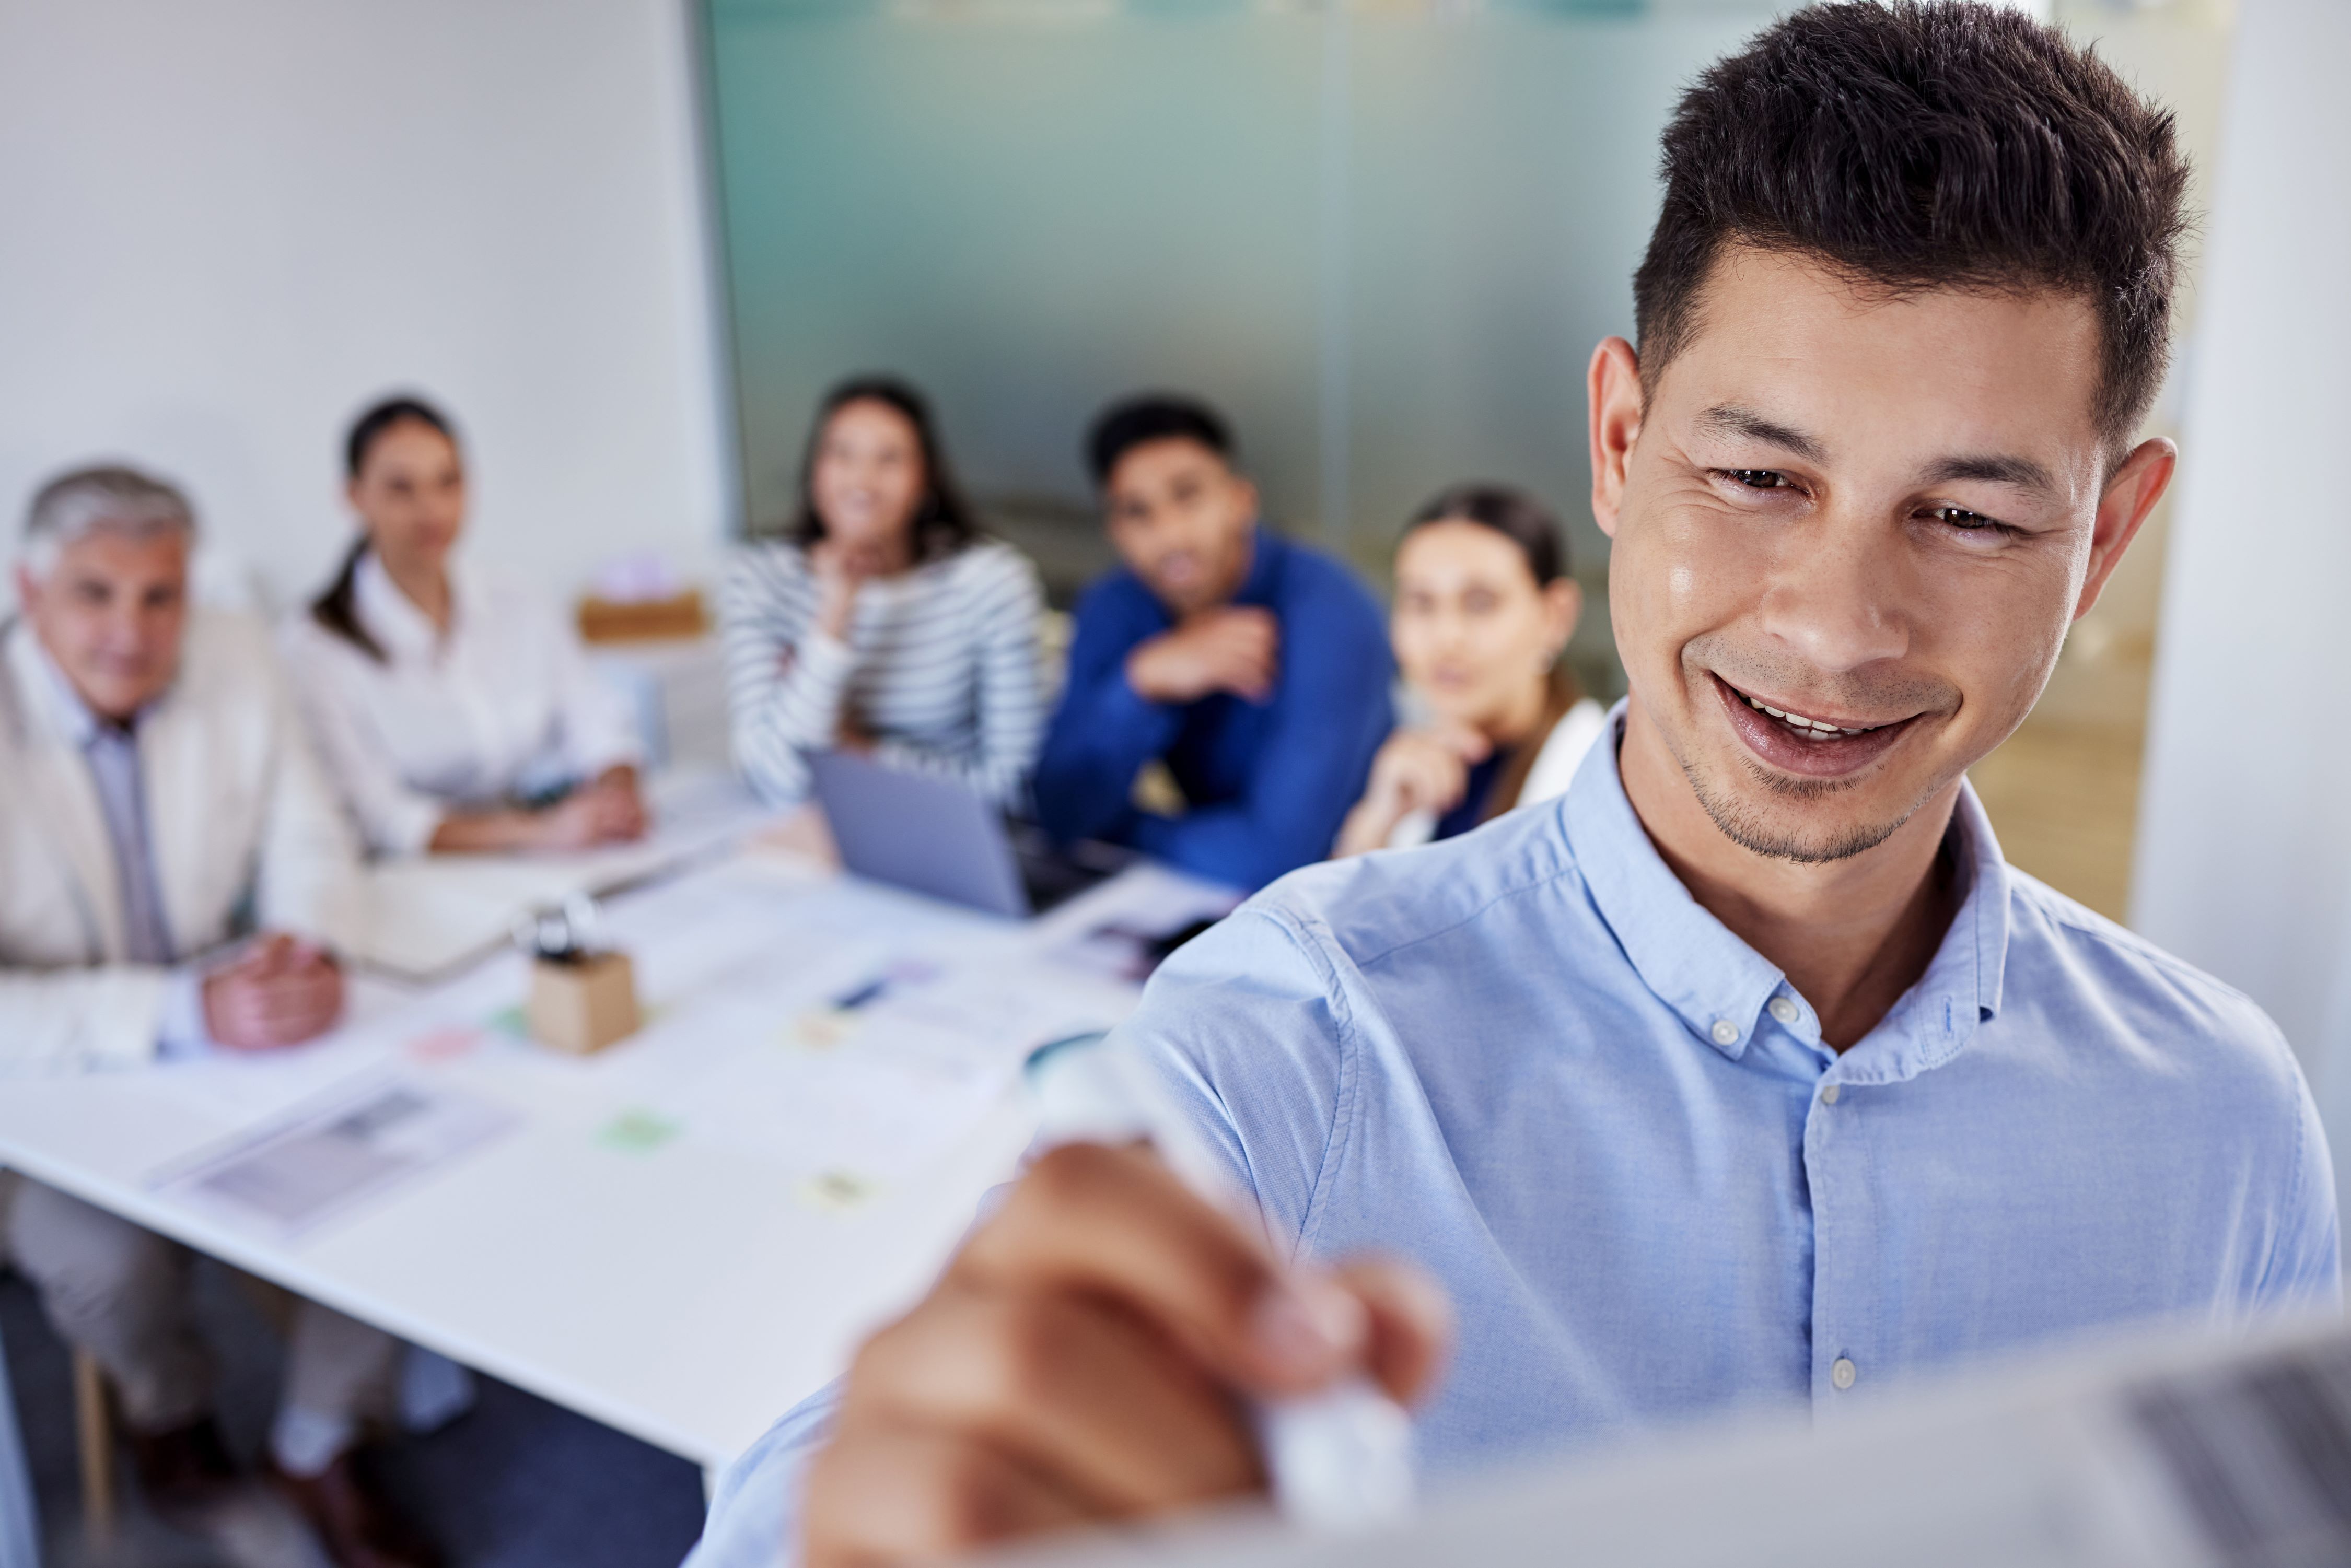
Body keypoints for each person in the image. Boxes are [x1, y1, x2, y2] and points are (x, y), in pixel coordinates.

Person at [686, 7, 2340, 1565]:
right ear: (1619, 443)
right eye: (1759, 475)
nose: (1837, 627)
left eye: (1971, 516)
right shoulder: (1308, 1037)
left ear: (2107, 536)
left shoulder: (2226, 1125)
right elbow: (853, 1481)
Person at [1, 466, 444, 1568]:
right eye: (94, 594)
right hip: (49, 1075)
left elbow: (311, 834)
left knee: (405, 1148)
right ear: (28, 589)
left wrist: (308, 941)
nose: (131, 631)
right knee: (108, 1259)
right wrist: (178, 1010)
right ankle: (172, 1417)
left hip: (225, 1034)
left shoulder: (239, 652)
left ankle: (317, 1438)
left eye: (161, 596)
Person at [1032, 395, 1392, 889]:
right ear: (1115, 530)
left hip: (1346, 898)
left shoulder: (1331, 614)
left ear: (1241, 500)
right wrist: (1140, 682)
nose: (1170, 535)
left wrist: (1116, 829)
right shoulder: (1115, 604)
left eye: (1188, 496)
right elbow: (1057, 808)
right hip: (1199, 894)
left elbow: (1275, 859)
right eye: (1138, 513)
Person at [281, 395, 647, 857]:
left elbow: (597, 723)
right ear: (355, 497)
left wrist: (616, 793)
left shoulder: (517, 597)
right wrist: (541, 832)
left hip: (548, 851)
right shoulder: (313, 647)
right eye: (401, 488)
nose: (431, 510)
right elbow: (381, 818)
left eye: (447, 482)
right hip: (421, 879)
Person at [721, 376, 1046, 808]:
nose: (863, 480)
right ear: (814, 470)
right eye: (842, 454)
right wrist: (835, 612)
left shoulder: (990, 585)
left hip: (946, 837)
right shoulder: (760, 580)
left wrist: (860, 753)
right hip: (815, 840)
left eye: (889, 459)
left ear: (926, 479)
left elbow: (1015, 788)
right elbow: (778, 781)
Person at [1333, 484, 1605, 857]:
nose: (1447, 638)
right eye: (1421, 603)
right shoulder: (1411, 756)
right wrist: (1375, 823)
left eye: (1480, 604)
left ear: (1555, 616)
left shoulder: (1599, 784)